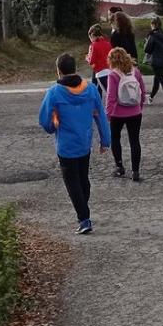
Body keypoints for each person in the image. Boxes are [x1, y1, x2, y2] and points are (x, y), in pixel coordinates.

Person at [38, 53, 111, 235]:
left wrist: (52, 127)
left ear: (58, 70)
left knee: (72, 183)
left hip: (66, 146)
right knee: (83, 179)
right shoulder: (91, 89)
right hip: (84, 142)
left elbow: (45, 121)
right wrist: (105, 140)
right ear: (75, 69)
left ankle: (84, 218)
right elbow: (100, 115)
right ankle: (83, 210)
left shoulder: (54, 93)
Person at [105, 46, 146, 182]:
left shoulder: (113, 75)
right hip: (135, 112)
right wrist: (139, 107)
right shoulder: (136, 72)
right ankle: (135, 171)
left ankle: (120, 167)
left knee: (115, 139)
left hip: (118, 113)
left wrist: (108, 114)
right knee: (135, 141)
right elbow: (143, 91)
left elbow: (111, 97)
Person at [143, 17, 163, 104]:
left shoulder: (152, 36)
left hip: (156, 61)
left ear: (153, 25)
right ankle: (151, 98)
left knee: (162, 81)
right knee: (157, 80)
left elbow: (147, 50)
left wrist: (146, 42)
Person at [86, 25, 111, 95]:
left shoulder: (93, 45)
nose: (90, 40)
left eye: (90, 38)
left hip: (100, 72)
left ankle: (98, 105)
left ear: (93, 36)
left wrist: (87, 58)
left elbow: (92, 61)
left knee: (99, 92)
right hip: (109, 70)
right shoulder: (108, 43)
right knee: (110, 92)